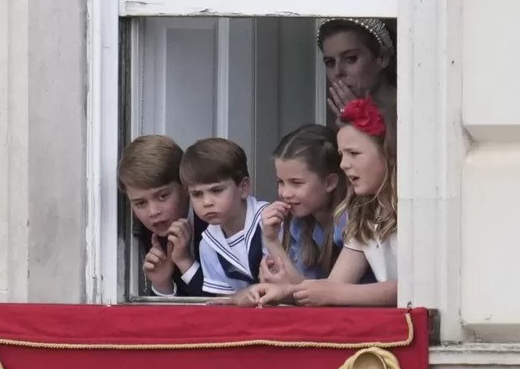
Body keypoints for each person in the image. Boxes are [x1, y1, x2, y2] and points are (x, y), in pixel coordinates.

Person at [219, 95, 398, 307]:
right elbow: (330, 288)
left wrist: (298, 291)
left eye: (354, 153)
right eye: (342, 155)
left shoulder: (413, 211)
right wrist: (273, 290)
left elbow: (409, 288)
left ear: (389, 154)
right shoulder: (365, 214)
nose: (343, 165)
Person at [117, 135, 208, 297]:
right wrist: (162, 284)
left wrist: (185, 261)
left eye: (163, 196)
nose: (153, 212)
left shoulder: (216, 219)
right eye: (140, 203)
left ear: (186, 187)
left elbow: (226, 302)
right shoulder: (146, 236)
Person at [179, 138, 269, 295]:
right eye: (197, 194)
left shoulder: (270, 220)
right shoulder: (208, 245)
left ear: (243, 187)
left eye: (216, 191)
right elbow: (224, 302)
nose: (207, 202)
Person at [259, 124, 347, 282]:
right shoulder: (299, 224)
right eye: (281, 182)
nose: (285, 193)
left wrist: (272, 242)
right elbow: (294, 283)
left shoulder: (348, 221)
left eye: (296, 183)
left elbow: (307, 291)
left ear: (329, 182)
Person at [317, 17, 397, 140]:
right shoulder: (338, 116)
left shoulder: (412, 111)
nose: (338, 71)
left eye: (350, 58)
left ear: (382, 58)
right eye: (330, 62)